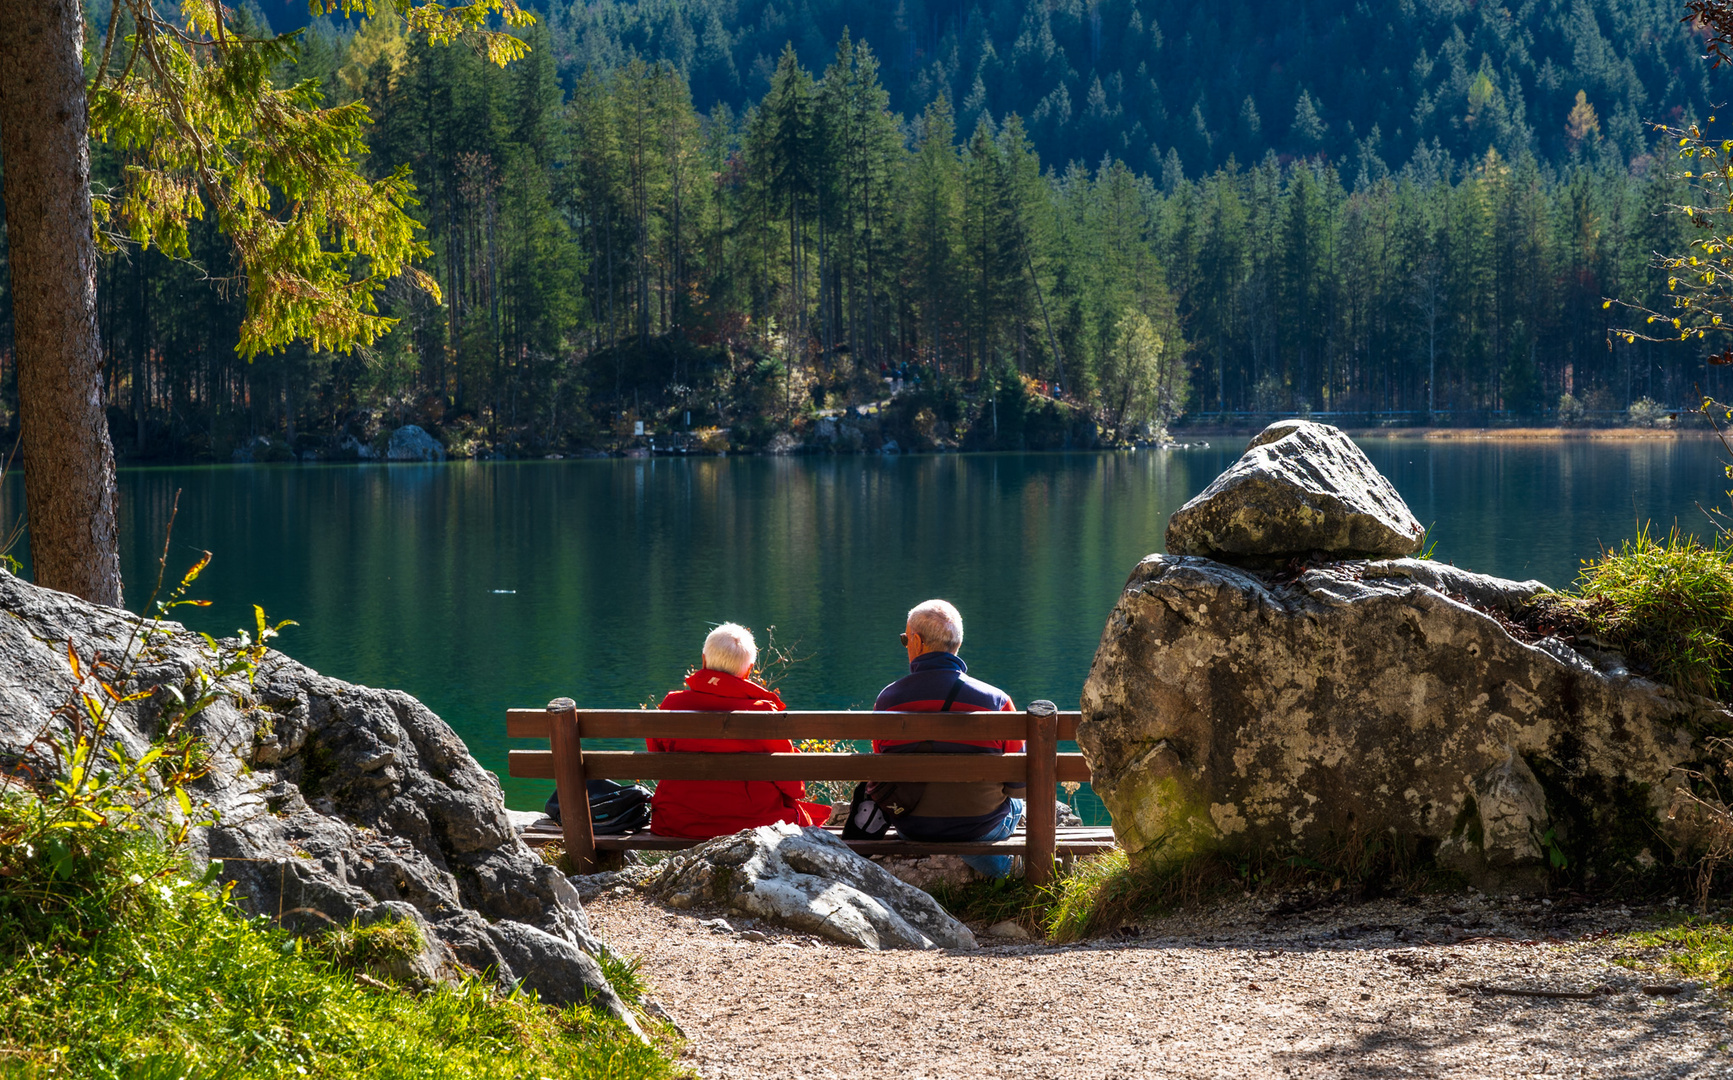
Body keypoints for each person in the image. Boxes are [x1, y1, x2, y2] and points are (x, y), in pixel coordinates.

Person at [872, 599, 1026, 876]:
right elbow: (1019, 783)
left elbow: (882, 769)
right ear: (956, 644)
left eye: (905, 640)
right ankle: (1005, 870)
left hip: (912, 827)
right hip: (979, 826)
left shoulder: (888, 701)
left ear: (917, 642)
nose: (906, 645)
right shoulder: (995, 701)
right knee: (1015, 804)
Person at [647, 622, 829, 839]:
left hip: (678, 822)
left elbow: (658, 761)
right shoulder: (764, 713)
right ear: (749, 670)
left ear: (703, 660)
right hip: (755, 825)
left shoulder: (672, 705)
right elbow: (792, 784)